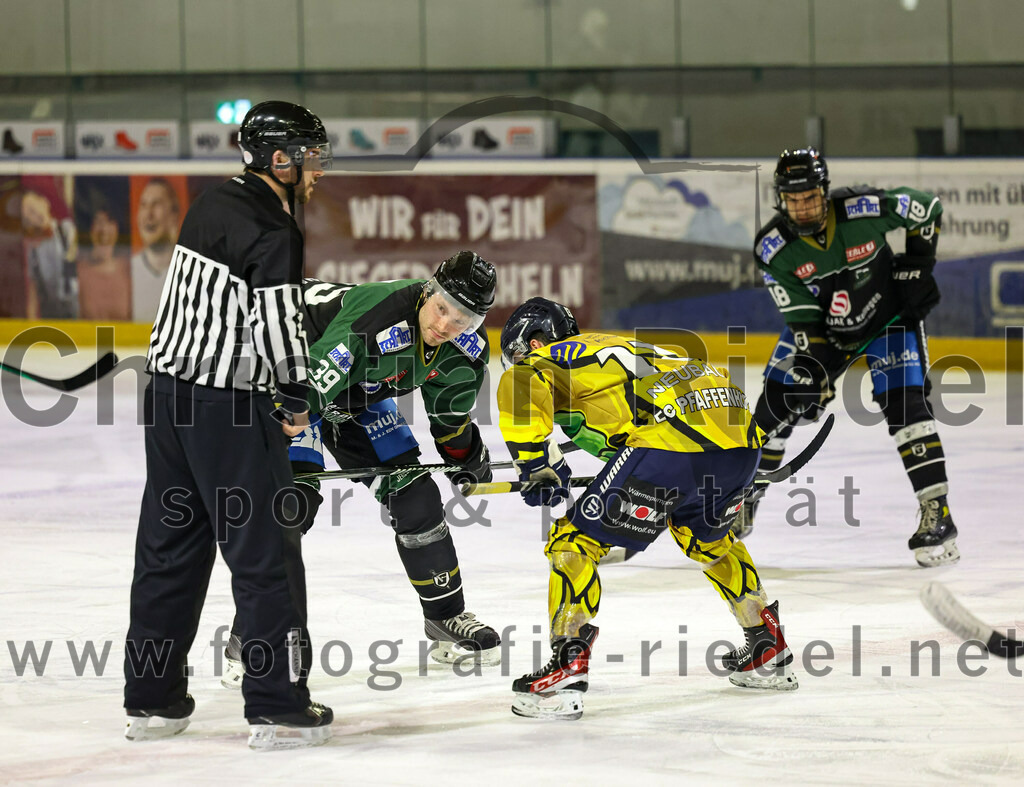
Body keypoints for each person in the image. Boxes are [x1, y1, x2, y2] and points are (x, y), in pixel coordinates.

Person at [124, 100, 334, 750]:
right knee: (265, 552)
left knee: (169, 552)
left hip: (168, 401)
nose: (317, 167)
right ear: (282, 158)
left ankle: (152, 703)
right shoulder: (274, 227)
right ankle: (276, 705)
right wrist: (297, 401)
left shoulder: (213, 203)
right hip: (225, 406)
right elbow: (277, 327)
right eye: (311, 154)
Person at [496, 297, 798, 721]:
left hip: (671, 442)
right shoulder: (617, 350)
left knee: (574, 541)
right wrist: (554, 467)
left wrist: (531, 463)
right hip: (740, 440)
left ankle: (566, 667)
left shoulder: (544, 358)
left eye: (518, 351)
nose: (518, 360)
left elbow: (524, 382)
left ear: (535, 339)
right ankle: (768, 646)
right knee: (707, 541)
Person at [221, 251, 503, 686]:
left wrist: (467, 460)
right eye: (443, 307)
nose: (446, 325)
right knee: (292, 505)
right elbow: (312, 382)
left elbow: (450, 423)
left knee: (416, 497)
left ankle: (445, 617)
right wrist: (263, 444)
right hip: (289, 370)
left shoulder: (465, 355)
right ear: (428, 291)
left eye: (463, 319)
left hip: (356, 394)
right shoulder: (379, 318)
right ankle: (254, 636)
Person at [739, 148, 957, 568]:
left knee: (906, 408)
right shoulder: (774, 249)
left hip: (887, 321)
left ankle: (938, 514)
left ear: (824, 191)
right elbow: (803, 320)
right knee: (773, 407)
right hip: (825, 331)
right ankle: (745, 499)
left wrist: (918, 264)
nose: (802, 208)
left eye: (810, 197)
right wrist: (816, 370)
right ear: (781, 199)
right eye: (793, 199)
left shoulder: (863, 210)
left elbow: (927, 208)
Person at [22, 189, 78, 319]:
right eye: (27, 218)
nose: (33, 218)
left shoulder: (69, 230)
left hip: (79, 312)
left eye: (32, 210)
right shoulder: (34, 252)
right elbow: (33, 292)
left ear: (45, 203)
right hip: (52, 315)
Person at [130, 177, 180, 322]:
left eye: (156, 204)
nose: (148, 214)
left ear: (174, 215)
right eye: (143, 205)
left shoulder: (192, 272)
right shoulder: (128, 270)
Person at [76, 191, 131, 320]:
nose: (104, 229)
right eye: (98, 222)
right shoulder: (79, 273)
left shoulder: (129, 270)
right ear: (90, 230)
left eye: (110, 222)